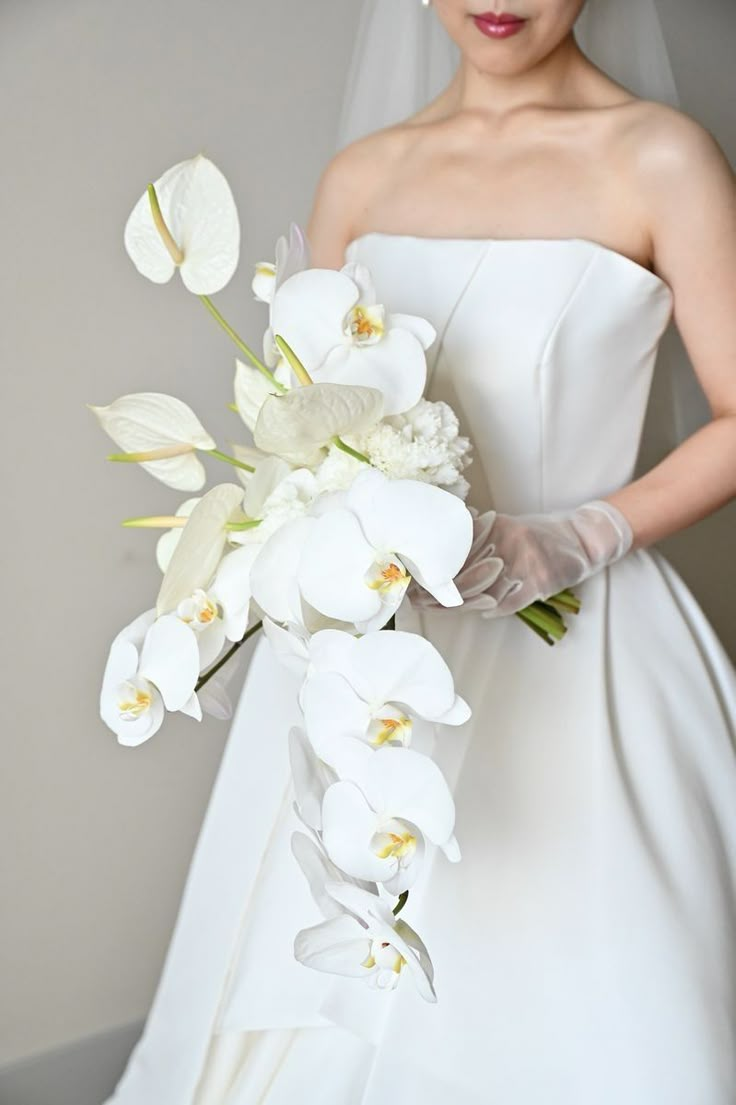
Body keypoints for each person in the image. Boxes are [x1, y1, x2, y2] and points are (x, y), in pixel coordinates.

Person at [105, 2, 736, 1102]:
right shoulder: (363, 176)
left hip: (580, 646)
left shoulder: (658, 156)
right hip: (373, 655)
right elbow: (307, 421)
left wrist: (578, 534)